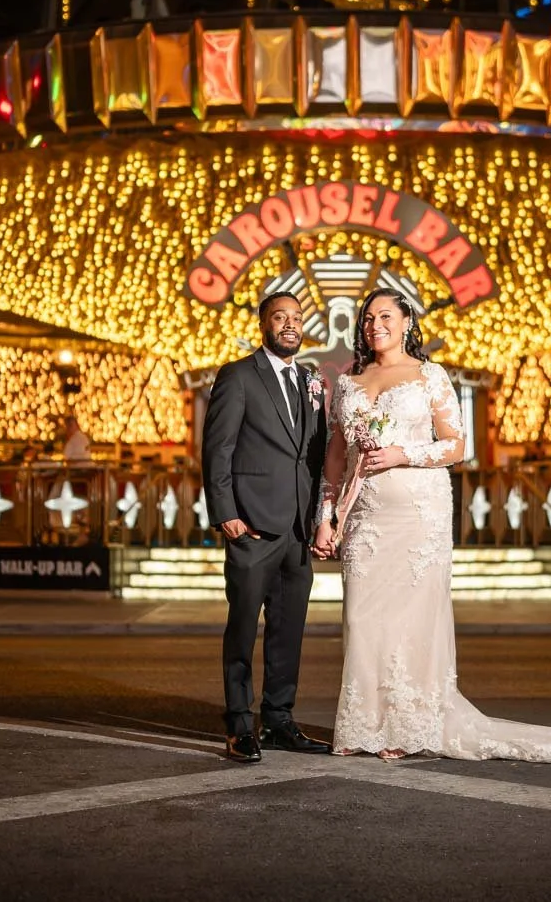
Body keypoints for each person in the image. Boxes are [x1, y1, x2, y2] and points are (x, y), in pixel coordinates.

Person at [314, 288, 551, 766]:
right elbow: (335, 456)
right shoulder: (348, 382)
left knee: (411, 620)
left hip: (418, 512)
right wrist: (326, 515)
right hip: (366, 516)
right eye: (368, 317)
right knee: (363, 618)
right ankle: (363, 723)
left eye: (386, 315)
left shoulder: (430, 376)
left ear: (407, 321)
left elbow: (457, 446)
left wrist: (403, 453)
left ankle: (409, 726)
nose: (375, 324)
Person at [202, 291, 331, 763]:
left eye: (297, 318)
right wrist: (227, 515)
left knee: (288, 630)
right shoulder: (238, 376)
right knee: (242, 629)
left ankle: (278, 720)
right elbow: (217, 450)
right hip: (251, 527)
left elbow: (314, 457)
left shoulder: (310, 380)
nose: (290, 325)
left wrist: (321, 518)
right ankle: (239, 725)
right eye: (281, 317)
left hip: (297, 530)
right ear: (264, 324)